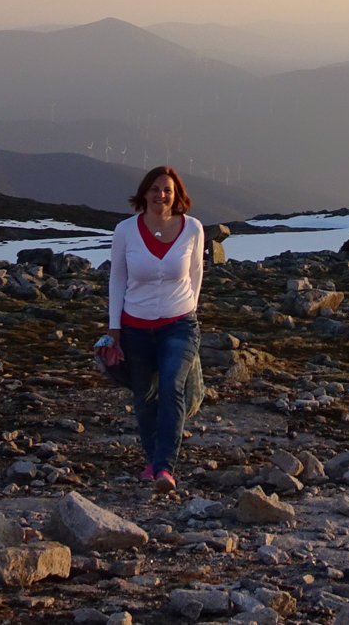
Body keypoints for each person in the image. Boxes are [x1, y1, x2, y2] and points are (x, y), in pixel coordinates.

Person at [97, 165, 203, 491]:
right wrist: (114, 328)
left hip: (179, 325)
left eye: (167, 190)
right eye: (155, 189)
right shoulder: (125, 231)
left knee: (171, 386)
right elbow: (118, 278)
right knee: (145, 396)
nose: (161, 195)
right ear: (144, 193)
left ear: (177, 195)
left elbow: (196, 273)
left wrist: (189, 310)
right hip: (135, 327)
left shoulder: (193, 229)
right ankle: (153, 460)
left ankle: (164, 469)